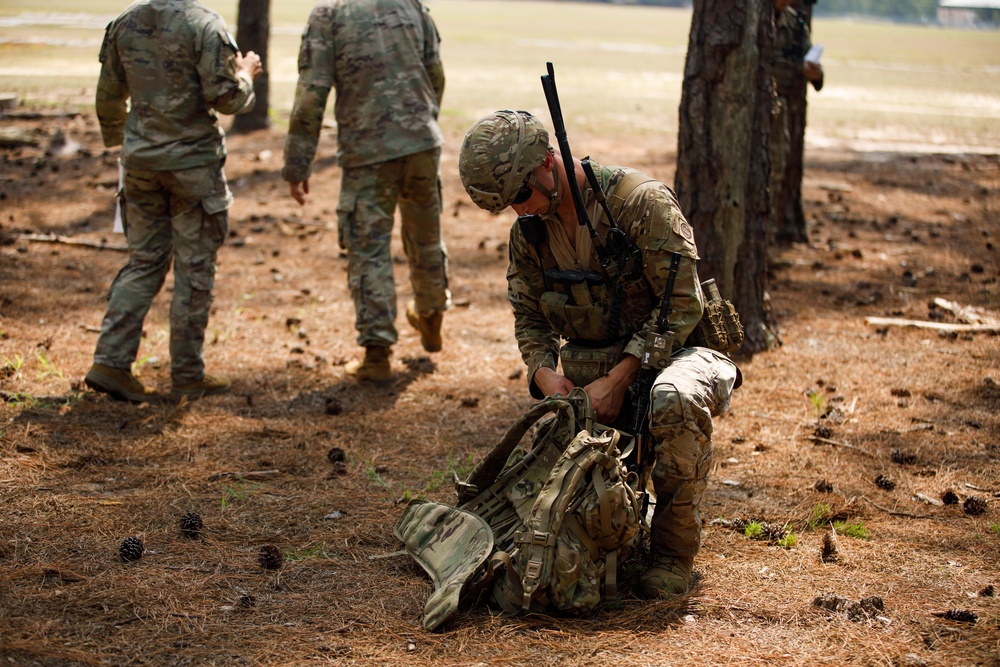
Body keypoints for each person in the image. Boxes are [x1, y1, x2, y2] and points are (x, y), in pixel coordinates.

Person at [458, 110, 741, 599]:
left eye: (521, 195)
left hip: (683, 351)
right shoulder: (531, 229)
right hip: (599, 366)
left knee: (673, 399)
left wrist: (621, 378)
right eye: (507, 205)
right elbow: (529, 317)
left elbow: (681, 306)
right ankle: (622, 527)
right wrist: (545, 373)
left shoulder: (639, 204)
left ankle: (672, 555)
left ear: (549, 161)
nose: (518, 212)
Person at [85, 0, 263, 403]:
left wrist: (125, 145)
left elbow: (109, 96)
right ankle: (187, 374)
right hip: (192, 168)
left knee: (144, 261)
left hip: (140, 164)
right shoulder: (205, 25)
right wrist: (246, 75)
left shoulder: (124, 23)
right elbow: (228, 99)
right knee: (194, 266)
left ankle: (111, 362)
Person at [282, 0, 451, 382]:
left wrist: (297, 162)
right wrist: (420, 123)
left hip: (368, 152)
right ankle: (431, 314)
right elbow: (435, 75)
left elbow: (311, 93)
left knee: (369, 248)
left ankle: (377, 355)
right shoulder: (411, 5)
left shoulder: (329, 14)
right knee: (425, 238)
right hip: (422, 141)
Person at [771, 0, 823, 239]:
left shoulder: (795, 24)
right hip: (746, 109)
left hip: (777, 112)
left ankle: (764, 238)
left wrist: (815, 73)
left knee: (774, 174)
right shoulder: (753, 18)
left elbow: (813, 71)